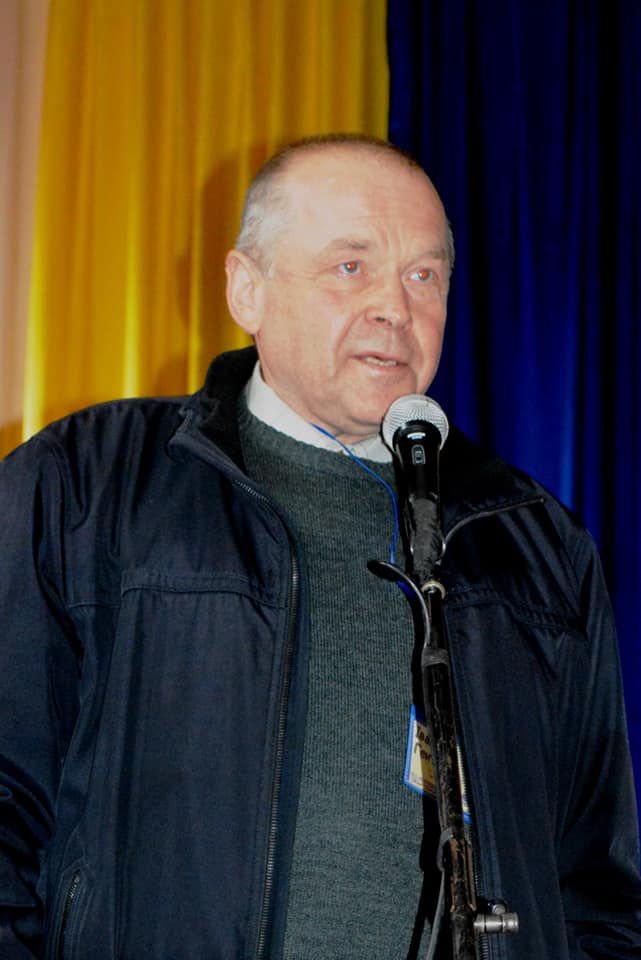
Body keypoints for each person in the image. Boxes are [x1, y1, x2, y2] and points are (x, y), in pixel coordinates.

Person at [1, 134, 640, 960]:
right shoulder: (87, 484)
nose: (394, 307)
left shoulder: (530, 537)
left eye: (424, 276)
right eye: (350, 266)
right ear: (247, 288)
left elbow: (594, 883)